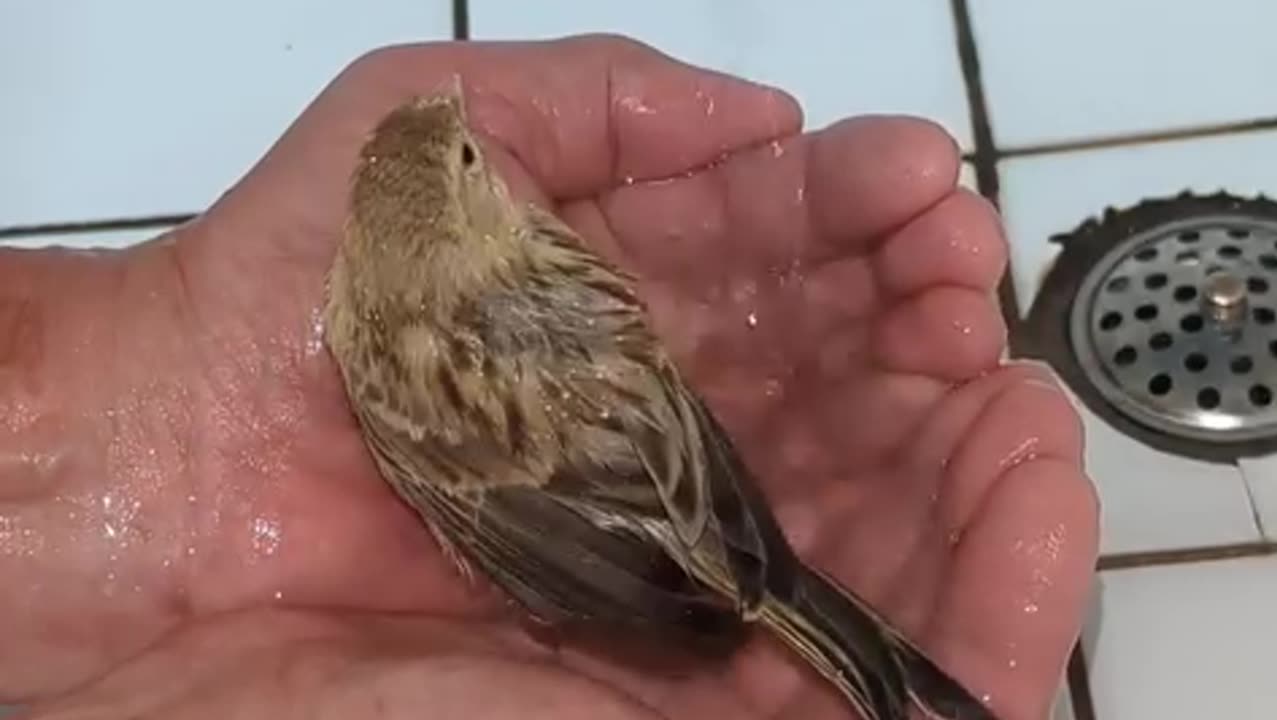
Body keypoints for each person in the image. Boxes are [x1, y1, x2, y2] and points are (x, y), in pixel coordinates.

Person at [0, 35, 1097, 720]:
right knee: (757, 586)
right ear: (470, 202)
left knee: (752, 584)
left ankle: (807, 622)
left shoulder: (398, 325)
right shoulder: (393, 343)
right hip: (633, 511)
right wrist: (671, 585)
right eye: (466, 155)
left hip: (644, 499)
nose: (462, 122)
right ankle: (816, 625)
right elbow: (517, 516)